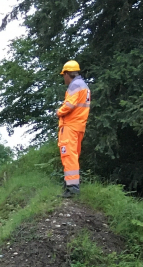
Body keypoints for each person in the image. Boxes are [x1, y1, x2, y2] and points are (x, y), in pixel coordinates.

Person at [57, 60, 90, 198]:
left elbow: (69, 105)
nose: (63, 78)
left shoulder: (74, 85)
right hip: (79, 126)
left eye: (63, 75)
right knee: (73, 156)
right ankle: (71, 186)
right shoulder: (84, 86)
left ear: (67, 73)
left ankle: (72, 189)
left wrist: (58, 112)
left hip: (70, 126)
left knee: (68, 155)